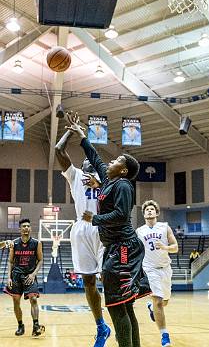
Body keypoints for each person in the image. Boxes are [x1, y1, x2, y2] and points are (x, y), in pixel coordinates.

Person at [66, 112, 150, 347]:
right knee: (124, 305)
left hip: (123, 248)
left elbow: (122, 215)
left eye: (116, 161)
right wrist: (82, 135)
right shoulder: (110, 180)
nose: (110, 162)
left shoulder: (123, 184)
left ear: (123, 170)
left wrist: (95, 219)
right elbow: (95, 158)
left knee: (115, 306)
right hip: (116, 247)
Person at [55, 130, 110, 347]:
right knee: (88, 281)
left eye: (91, 158)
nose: (87, 160)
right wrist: (71, 130)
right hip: (81, 228)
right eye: (84, 158)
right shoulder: (75, 175)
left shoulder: (107, 180)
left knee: (107, 277)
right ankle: (101, 327)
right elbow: (58, 150)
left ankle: (118, 314)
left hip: (103, 227)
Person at [136, 200, 178, 347]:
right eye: (147, 209)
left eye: (152, 209)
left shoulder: (165, 227)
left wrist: (166, 247)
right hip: (149, 269)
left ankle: (151, 308)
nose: (149, 211)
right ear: (144, 214)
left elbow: (175, 247)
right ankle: (164, 336)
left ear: (157, 212)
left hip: (165, 268)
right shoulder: (139, 231)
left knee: (164, 302)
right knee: (158, 301)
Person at [4, 218, 45, 337]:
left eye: (28, 226)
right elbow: (10, 262)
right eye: (24, 226)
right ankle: (20, 325)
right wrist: (9, 278)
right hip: (16, 276)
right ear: (20, 229)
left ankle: (36, 326)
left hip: (29, 276)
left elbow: (41, 260)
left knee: (34, 299)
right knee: (16, 302)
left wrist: (33, 274)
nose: (26, 228)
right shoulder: (14, 243)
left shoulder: (37, 243)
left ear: (30, 228)